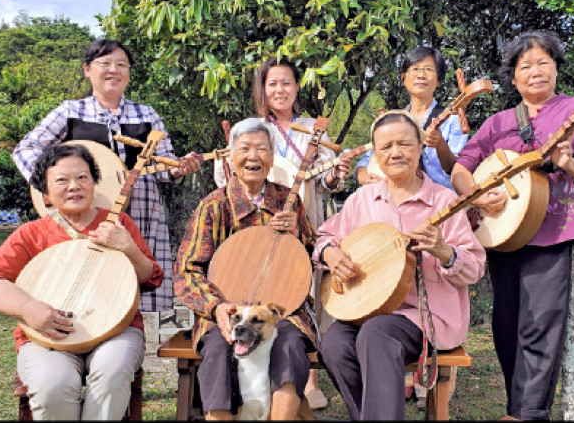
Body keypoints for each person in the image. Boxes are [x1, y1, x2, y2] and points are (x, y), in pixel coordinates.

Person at [451, 30, 574, 420]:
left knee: (539, 326)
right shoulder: (498, 122)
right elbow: (460, 167)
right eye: (526, 66)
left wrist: (567, 163)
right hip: (503, 233)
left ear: (556, 68)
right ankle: (518, 406)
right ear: (513, 77)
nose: (535, 71)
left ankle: (527, 413)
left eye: (544, 62)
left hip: (555, 231)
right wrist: (475, 195)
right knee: (506, 328)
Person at [0, 143, 163, 420]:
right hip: (48, 338)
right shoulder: (30, 234)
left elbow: (151, 279)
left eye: (83, 177)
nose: (74, 186)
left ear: (94, 183)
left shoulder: (119, 223)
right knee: (52, 386)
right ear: (44, 191)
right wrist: (29, 309)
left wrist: (128, 247)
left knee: (112, 373)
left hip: (117, 332)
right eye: (62, 180)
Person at [312, 111, 486, 420]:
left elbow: (475, 268)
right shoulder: (362, 200)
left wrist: (445, 252)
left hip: (424, 316)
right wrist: (330, 254)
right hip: (366, 309)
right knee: (334, 345)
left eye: (404, 144)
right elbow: (325, 237)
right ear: (376, 155)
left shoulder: (444, 202)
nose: (395, 153)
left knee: (377, 334)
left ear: (420, 148)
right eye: (386, 147)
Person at [13, 39, 201, 314]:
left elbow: (166, 168)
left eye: (121, 65)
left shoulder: (147, 114)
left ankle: (133, 338)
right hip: (86, 217)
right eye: (105, 63)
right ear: (87, 69)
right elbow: (27, 149)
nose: (114, 70)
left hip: (141, 215)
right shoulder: (70, 112)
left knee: (139, 284)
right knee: (87, 286)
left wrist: (179, 168)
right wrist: (46, 187)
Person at [213, 57, 351, 409]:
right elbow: (229, 177)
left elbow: (326, 180)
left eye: (286, 82)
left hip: (302, 213)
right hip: (256, 222)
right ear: (263, 89)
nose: (280, 89)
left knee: (306, 288)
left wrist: (337, 173)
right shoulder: (253, 128)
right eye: (272, 83)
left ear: (296, 86)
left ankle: (308, 382)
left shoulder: (311, 126)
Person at [174, 119, 318, 420]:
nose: (254, 157)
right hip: (226, 312)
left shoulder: (287, 201)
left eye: (262, 149)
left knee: (289, 343)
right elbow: (187, 271)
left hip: (283, 310)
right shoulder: (214, 206)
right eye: (245, 149)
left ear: (272, 156)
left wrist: (298, 235)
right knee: (216, 346)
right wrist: (216, 308)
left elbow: (311, 257)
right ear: (230, 155)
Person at [354, 45, 470, 192]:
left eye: (429, 69)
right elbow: (368, 157)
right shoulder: (394, 120)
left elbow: (458, 169)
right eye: (415, 69)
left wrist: (440, 145)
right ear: (403, 78)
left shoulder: (452, 120)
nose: (421, 75)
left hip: (439, 204)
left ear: (439, 80)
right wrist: (362, 175)